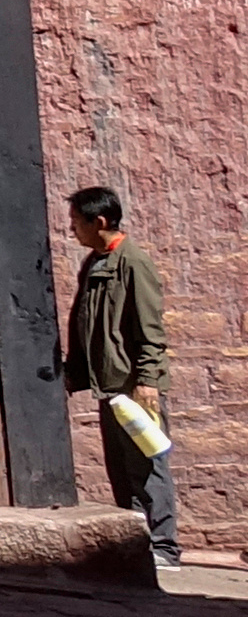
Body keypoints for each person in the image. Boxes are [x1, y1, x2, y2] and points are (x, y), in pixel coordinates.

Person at [68, 185, 181, 568]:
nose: (73, 231)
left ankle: (163, 546)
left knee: (146, 466)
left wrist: (147, 379)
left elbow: (150, 327)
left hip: (136, 387)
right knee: (120, 467)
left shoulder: (133, 263)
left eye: (77, 223)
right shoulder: (95, 263)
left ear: (99, 222)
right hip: (110, 385)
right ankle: (136, 542)